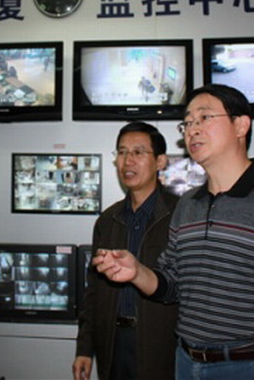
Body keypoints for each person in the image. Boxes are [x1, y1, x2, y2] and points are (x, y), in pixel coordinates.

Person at [94, 85, 254, 380]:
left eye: (204, 118)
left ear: (241, 125)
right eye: (187, 122)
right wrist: (137, 272)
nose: (192, 129)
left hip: (247, 365)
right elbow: (172, 284)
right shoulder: (188, 204)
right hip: (185, 361)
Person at [73, 121, 180, 380]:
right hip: (112, 342)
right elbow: (93, 291)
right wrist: (85, 348)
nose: (127, 161)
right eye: (122, 152)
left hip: (163, 346)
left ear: (160, 161)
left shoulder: (180, 214)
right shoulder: (108, 220)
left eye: (138, 152)